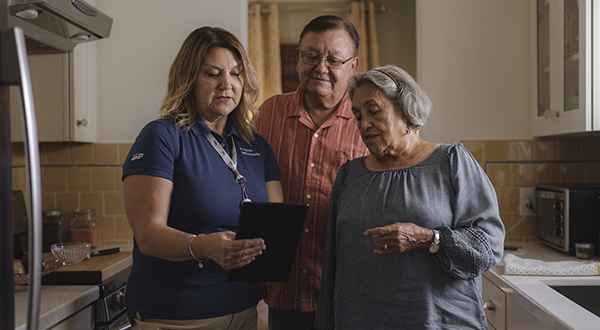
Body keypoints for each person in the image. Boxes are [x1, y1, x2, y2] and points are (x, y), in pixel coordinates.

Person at [314, 65, 505, 329]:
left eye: (374, 111)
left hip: (437, 322)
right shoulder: (349, 175)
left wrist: (429, 239)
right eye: (358, 116)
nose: (364, 124)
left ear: (404, 109)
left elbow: (488, 247)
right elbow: (333, 266)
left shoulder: (451, 162)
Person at [122, 26, 283, 330]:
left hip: (246, 310)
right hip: (177, 315)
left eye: (236, 74)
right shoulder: (162, 137)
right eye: (212, 74)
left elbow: (275, 225)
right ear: (189, 79)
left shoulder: (256, 146)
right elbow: (147, 234)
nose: (227, 84)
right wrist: (204, 246)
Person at [255, 15, 369, 330]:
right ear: (297, 58)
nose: (320, 67)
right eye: (311, 56)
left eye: (334, 59)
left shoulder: (369, 123)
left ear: (353, 65)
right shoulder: (267, 114)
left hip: (347, 292)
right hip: (284, 289)